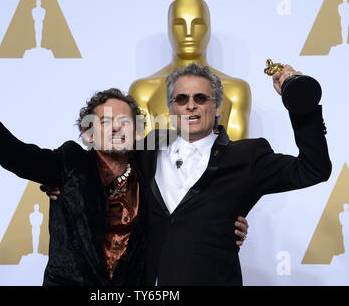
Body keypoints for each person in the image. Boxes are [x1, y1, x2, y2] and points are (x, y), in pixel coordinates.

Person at [0, 73, 248, 286]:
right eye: (105, 122)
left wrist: (227, 224)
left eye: (125, 121)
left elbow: (192, 202)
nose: (116, 128)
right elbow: (17, 155)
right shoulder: (69, 164)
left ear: (140, 131)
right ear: (88, 133)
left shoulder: (154, 169)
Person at [135, 62, 331, 285]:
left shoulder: (246, 156)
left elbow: (313, 169)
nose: (191, 106)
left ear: (217, 107)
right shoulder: (146, 149)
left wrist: (300, 104)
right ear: (170, 110)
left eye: (200, 98)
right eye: (181, 99)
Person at [129, 0, 251, 141]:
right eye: (179, 24)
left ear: (209, 29)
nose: (188, 32)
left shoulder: (235, 91)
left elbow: (237, 154)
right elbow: (146, 153)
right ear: (169, 29)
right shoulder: (144, 91)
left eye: (198, 24)